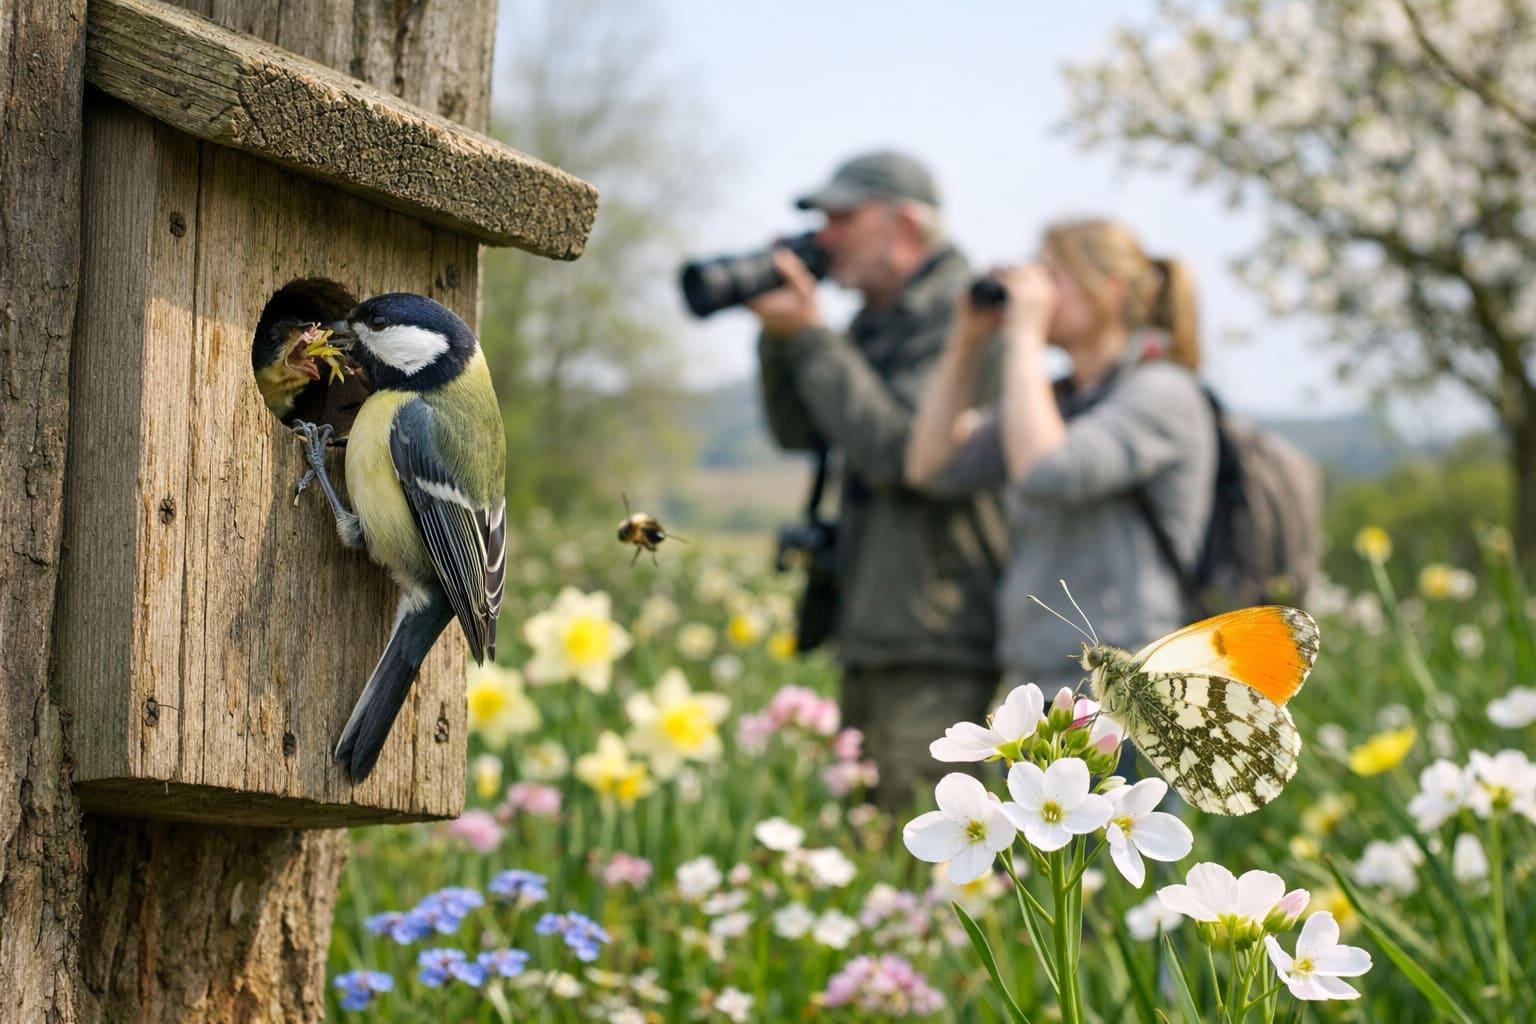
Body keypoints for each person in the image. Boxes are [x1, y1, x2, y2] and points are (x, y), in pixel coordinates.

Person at [748, 151, 1007, 809]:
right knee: (875, 848)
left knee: (927, 849)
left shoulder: (968, 315)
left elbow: (901, 453)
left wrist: (810, 339)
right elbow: (800, 433)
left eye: (843, 218)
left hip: (937, 638)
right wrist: (780, 338)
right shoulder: (876, 320)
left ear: (907, 226)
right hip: (878, 623)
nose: (825, 237)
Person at [905, 218, 1216, 694]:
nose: (1033, 288)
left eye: (1050, 273)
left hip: (1133, 694)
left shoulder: (1162, 391)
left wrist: (1024, 335)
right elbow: (931, 465)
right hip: (1044, 684)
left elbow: (1046, 470)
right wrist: (966, 342)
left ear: (1109, 291)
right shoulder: (1057, 405)